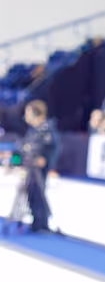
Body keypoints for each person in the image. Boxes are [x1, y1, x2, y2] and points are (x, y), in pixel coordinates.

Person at [16, 100, 58, 233]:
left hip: (39, 169)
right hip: (30, 166)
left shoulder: (46, 129)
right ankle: (36, 221)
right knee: (31, 192)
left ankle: (42, 223)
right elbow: (26, 147)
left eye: (28, 113)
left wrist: (45, 159)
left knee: (38, 192)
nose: (26, 116)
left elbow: (51, 148)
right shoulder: (33, 131)